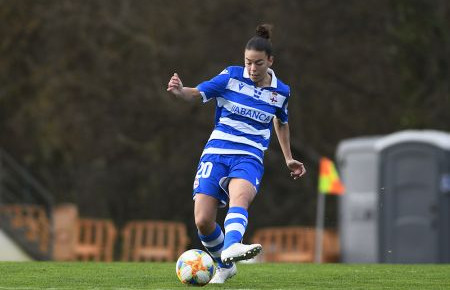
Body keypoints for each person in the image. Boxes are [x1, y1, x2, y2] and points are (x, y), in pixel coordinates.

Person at [167, 24, 306, 284]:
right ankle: (225, 265)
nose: (252, 69)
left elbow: (281, 122)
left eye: (258, 63)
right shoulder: (230, 77)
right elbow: (196, 93)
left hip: (250, 155)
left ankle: (233, 244)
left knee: (239, 197)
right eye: (248, 63)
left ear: (270, 61)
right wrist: (179, 91)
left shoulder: (281, 92)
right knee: (203, 222)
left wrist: (288, 157)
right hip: (217, 153)